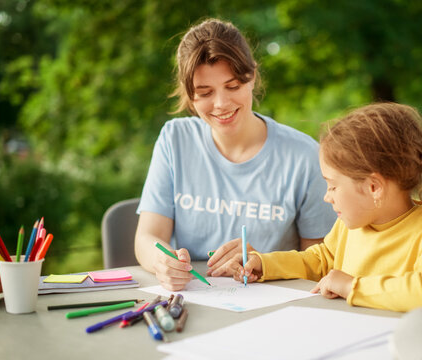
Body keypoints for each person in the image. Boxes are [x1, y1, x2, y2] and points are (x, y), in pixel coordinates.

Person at [135, 18, 336, 291]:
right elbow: (148, 237)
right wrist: (163, 262)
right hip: (194, 300)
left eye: (232, 87)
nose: (221, 104)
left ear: (252, 77)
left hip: (275, 307)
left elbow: (322, 263)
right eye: (205, 93)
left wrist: (263, 262)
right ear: (189, 95)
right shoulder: (175, 139)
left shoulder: (305, 156)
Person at [235, 102, 422, 314]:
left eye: (332, 186)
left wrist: (353, 287)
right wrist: (265, 264)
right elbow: (319, 260)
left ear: (374, 187)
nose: (327, 197)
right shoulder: (350, 225)